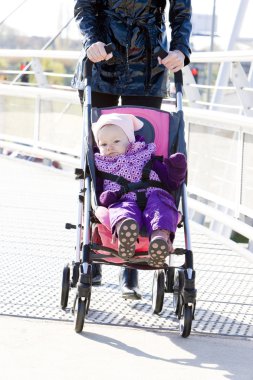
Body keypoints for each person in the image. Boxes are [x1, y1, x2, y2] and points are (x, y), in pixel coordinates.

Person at [73, 0, 192, 299]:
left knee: (142, 156)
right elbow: (85, 6)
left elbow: (181, 11)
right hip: (103, 57)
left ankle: (131, 268)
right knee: (101, 157)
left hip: (149, 63)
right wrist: (92, 40)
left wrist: (181, 50)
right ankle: (94, 248)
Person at [92, 113, 187, 296]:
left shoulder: (147, 157)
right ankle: (125, 233)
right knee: (121, 210)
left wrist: (176, 169)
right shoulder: (102, 165)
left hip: (154, 194)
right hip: (124, 199)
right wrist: (106, 198)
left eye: (116, 141)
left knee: (162, 206)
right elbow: (99, 193)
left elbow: (170, 181)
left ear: (130, 140)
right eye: (103, 144)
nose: (109, 148)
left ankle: (159, 238)